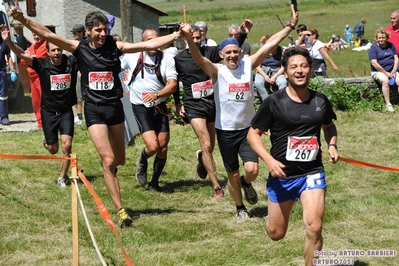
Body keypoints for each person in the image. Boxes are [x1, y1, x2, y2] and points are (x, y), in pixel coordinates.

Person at [9, 7, 184, 228]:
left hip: (114, 108)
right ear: (89, 31)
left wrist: (176, 35)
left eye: (105, 30)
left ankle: (138, 161)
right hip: (94, 110)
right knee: (108, 161)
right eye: (98, 30)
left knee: (119, 159)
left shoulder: (116, 46)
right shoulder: (78, 48)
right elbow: (47, 35)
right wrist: (23, 19)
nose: (103, 34)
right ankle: (121, 211)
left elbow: (148, 44)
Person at [181, 4, 298, 219]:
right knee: (232, 173)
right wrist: (188, 37)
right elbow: (198, 57)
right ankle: (240, 207)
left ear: (240, 52)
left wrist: (290, 26)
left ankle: (247, 184)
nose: (233, 56)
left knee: (252, 169)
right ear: (221, 54)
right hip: (225, 131)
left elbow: (271, 44)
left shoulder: (248, 63)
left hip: (247, 129)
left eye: (236, 51)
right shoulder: (217, 70)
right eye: (228, 53)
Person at [247, 46, 339, 266]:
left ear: (310, 70)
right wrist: (269, 161)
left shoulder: (320, 101)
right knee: (276, 233)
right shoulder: (274, 102)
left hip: (312, 172)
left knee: (314, 227)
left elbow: (329, 127)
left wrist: (333, 145)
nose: (299, 71)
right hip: (282, 175)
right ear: (285, 73)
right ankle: (270, 221)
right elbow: (253, 134)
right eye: (294, 67)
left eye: (304, 66)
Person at [174, 21, 250, 198]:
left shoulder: (210, 52)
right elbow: (173, 81)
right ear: (186, 38)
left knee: (210, 146)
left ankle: (202, 158)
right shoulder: (179, 58)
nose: (196, 40)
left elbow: (231, 50)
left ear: (203, 36)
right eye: (192, 37)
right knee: (206, 143)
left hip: (212, 103)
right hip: (193, 105)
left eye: (199, 37)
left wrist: (243, 34)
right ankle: (216, 186)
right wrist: (178, 103)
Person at [2, 24, 78, 187]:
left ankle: (61, 177)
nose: (57, 53)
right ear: (48, 52)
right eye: (53, 51)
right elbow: (21, 53)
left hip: (66, 112)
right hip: (49, 112)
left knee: (67, 145)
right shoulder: (42, 64)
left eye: (59, 50)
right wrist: (8, 41)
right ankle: (47, 140)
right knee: (53, 149)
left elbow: (84, 52)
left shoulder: (70, 62)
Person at [120, 28, 177, 192]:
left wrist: (157, 94)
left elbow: (172, 85)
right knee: (152, 146)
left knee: (163, 146)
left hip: (159, 105)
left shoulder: (167, 58)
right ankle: (143, 160)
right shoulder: (132, 56)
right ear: (143, 42)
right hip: (140, 106)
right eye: (149, 40)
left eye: (155, 39)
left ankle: (154, 182)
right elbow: (114, 66)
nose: (153, 43)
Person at [21, 32, 49, 129]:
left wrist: (31, 57)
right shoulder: (32, 46)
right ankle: (40, 123)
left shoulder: (46, 45)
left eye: (38, 35)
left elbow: (37, 60)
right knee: (36, 101)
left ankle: (47, 122)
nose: (36, 37)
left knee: (44, 100)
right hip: (32, 77)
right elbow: (23, 60)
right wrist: (31, 57)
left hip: (42, 76)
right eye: (34, 35)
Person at [368, 28, 399, 112]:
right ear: (376, 38)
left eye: (383, 37)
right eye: (379, 38)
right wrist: (386, 73)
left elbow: (396, 58)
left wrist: (394, 69)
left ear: (387, 38)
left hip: (392, 70)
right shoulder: (373, 48)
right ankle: (388, 104)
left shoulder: (391, 46)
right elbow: (374, 63)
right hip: (378, 71)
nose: (381, 39)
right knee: (385, 81)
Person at [254, 34, 287, 101]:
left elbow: (283, 67)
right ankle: (266, 100)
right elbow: (257, 66)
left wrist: (275, 76)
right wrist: (265, 76)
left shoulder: (282, 51)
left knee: (283, 82)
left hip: (277, 71)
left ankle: (280, 101)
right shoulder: (262, 50)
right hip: (263, 71)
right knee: (258, 83)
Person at [70, 24, 85, 125]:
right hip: (77, 71)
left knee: (79, 93)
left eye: (75, 33)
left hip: (83, 72)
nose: (73, 35)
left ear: (81, 33)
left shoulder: (85, 43)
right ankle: (79, 115)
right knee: (77, 93)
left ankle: (80, 116)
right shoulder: (75, 44)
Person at [0, 33, 16, 125]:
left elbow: (9, 57)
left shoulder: (4, 42)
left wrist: (13, 70)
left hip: (1, 71)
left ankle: (4, 117)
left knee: (3, 96)